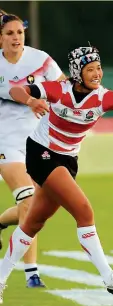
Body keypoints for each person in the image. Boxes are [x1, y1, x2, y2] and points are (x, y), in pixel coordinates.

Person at [0, 45, 113, 304]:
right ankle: (109, 278)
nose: (97, 74)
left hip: (67, 160)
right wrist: (30, 100)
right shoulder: (57, 89)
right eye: (90, 69)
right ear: (77, 73)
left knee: (33, 223)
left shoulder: (105, 97)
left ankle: (0, 277)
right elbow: (16, 90)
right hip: (41, 153)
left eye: (99, 68)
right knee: (84, 210)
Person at [0, 11, 65, 288]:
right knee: (27, 200)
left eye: (19, 32)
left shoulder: (40, 59)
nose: (16, 38)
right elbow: (13, 91)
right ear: (0, 39)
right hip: (5, 142)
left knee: (45, 204)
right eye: (10, 33)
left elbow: (62, 85)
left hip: (37, 141)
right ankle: (31, 273)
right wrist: (32, 100)